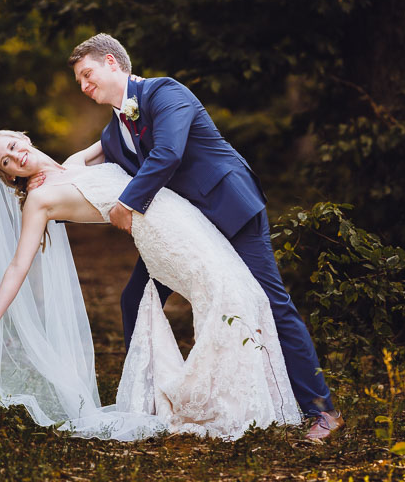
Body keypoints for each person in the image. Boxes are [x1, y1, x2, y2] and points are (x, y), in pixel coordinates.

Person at [61, 33, 344, 442]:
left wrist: (128, 202)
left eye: (87, 75)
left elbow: (168, 153)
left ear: (111, 62)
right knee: (135, 298)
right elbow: (87, 162)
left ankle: (323, 411)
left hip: (229, 208)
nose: (85, 87)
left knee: (271, 301)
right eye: (79, 83)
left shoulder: (164, 91)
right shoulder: (113, 132)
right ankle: (149, 402)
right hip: (187, 230)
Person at [0, 129, 300, 440]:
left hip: (180, 212)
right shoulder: (39, 200)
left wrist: (133, 91)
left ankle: (250, 395)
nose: (15, 156)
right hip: (162, 235)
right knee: (230, 294)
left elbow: (116, 131)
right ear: (9, 176)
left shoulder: (74, 163)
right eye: (5, 162)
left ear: (24, 138)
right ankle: (232, 404)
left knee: (240, 290)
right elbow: (19, 264)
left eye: (12, 146)